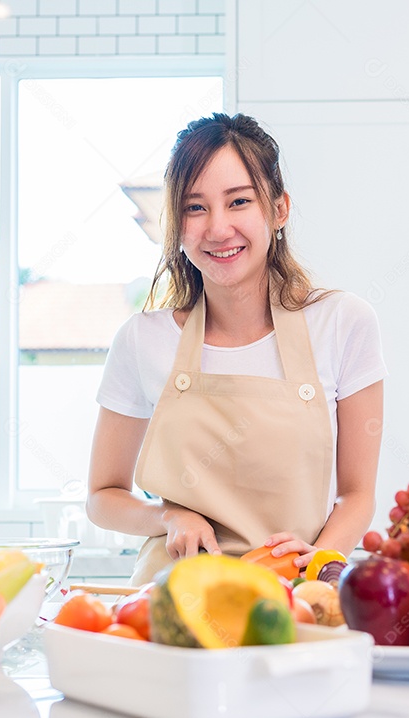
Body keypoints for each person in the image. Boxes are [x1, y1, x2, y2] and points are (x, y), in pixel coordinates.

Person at [87, 113, 386, 585]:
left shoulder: (343, 323)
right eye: (195, 207)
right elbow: (102, 497)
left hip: (292, 594)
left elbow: (357, 495)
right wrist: (168, 517)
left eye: (239, 201)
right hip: (171, 599)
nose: (218, 228)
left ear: (279, 209)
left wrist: (320, 559)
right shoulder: (142, 340)